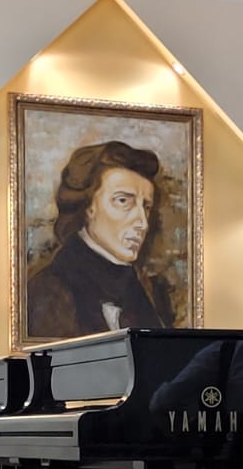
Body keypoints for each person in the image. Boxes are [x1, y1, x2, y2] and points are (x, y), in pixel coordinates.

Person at [25, 140, 174, 340]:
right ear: (88, 207)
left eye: (146, 207)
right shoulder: (48, 291)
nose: (142, 223)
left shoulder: (149, 293)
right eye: (123, 201)